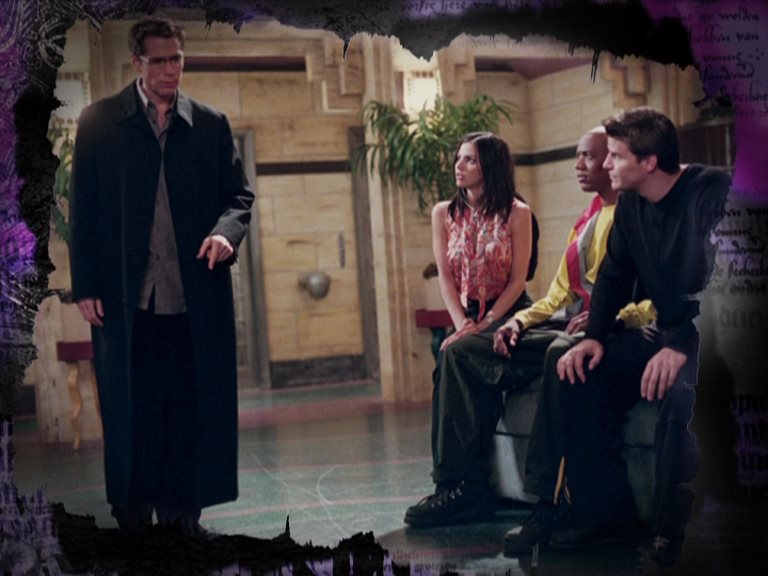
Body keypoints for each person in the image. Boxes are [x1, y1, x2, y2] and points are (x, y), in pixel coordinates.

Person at [69, 17, 254, 533]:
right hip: (125, 300)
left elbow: (239, 198)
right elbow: (82, 211)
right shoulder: (99, 123)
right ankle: (133, 515)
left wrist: (226, 233)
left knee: (187, 411)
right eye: (160, 61)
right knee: (133, 411)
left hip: (193, 298)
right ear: (137, 62)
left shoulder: (210, 125)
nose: (171, 69)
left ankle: (181, 515)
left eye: (177, 59)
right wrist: (85, 285)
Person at [546, 108, 728, 566]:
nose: (606, 164)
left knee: (684, 395)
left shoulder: (713, 192)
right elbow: (614, 274)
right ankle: (606, 517)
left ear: (649, 162)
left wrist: (684, 345)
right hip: (667, 332)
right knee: (581, 372)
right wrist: (594, 336)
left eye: (616, 156)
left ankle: (674, 535)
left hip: (720, 337)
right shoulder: (630, 204)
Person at [500, 127, 655, 557]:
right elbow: (561, 293)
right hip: (583, 323)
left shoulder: (648, 213)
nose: (583, 166)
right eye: (583, 156)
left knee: (564, 355)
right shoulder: (589, 219)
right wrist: (517, 321)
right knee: (465, 350)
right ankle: (462, 485)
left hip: (632, 330)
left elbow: (660, 297)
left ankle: (548, 501)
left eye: (601, 156)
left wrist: (608, 323)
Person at [403, 132, 534, 528]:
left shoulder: (518, 213)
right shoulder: (443, 213)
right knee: (450, 357)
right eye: (458, 158)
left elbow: (518, 281)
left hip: (508, 313)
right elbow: (444, 278)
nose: (458, 166)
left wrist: (487, 323)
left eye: (469, 160)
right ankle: (458, 486)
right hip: (465, 315)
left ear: (489, 166)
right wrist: (462, 323)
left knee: (455, 356)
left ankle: (459, 487)